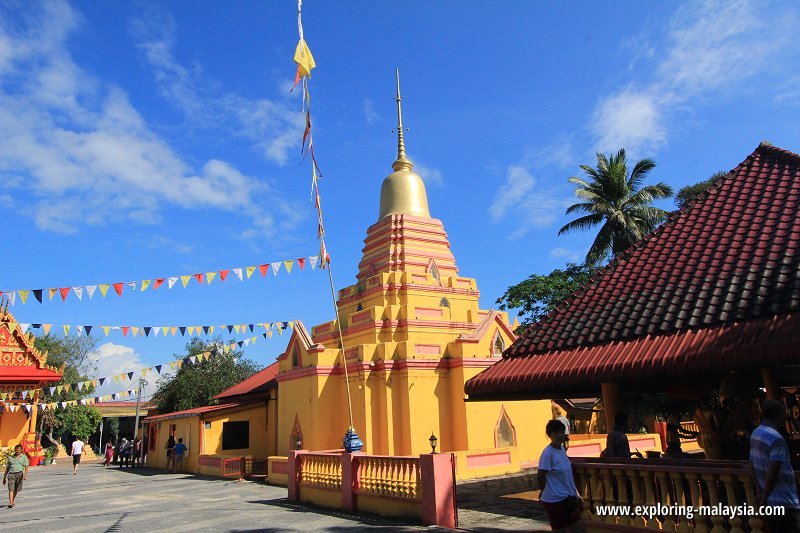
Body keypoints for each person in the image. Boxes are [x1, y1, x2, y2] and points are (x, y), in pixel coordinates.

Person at [751, 399, 800, 533]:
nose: (786, 416)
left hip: (771, 501)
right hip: (785, 500)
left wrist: (759, 490)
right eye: (783, 413)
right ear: (777, 415)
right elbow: (774, 469)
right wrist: (765, 495)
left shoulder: (756, 433)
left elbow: (752, 463)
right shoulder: (776, 439)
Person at [537, 420, 585, 533]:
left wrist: (576, 493)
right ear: (550, 435)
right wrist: (543, 490)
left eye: (561, 432)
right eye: (556, 433)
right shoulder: (548, 454)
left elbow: (567, 476)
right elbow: (540, 475)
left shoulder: (562, 449)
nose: (559, 435)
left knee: (579, 528)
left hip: (568, 497)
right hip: (554, 500)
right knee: (560, 530)